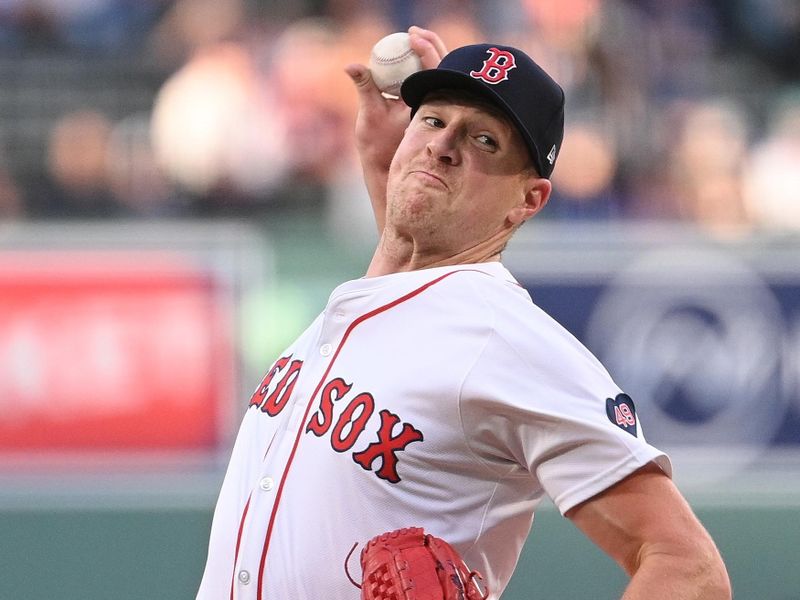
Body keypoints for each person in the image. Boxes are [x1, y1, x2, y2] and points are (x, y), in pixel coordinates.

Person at [196, 27, 731, 600]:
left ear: (529, 200)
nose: (443, 144)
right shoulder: (381, 301)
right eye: (432, 121)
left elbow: (688, 567)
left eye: (484, 141)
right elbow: (415, 290)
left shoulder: (505, 340)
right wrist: (386, 169)